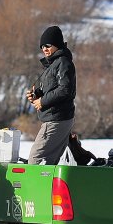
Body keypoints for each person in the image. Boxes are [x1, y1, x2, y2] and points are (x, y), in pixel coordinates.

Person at [26, 25, 76, 165]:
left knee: (35, 160)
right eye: (42, 47)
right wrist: (35, 95)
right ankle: (48, 187)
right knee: (48, 162)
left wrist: (42, 101)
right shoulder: (53, 65)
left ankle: (36, 187)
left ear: (57, 45)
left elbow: (65, 89)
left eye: (48, 45)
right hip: (55, 118)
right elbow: (51, 88)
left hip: (57, 119)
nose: (44, 49)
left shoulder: (63, 63)